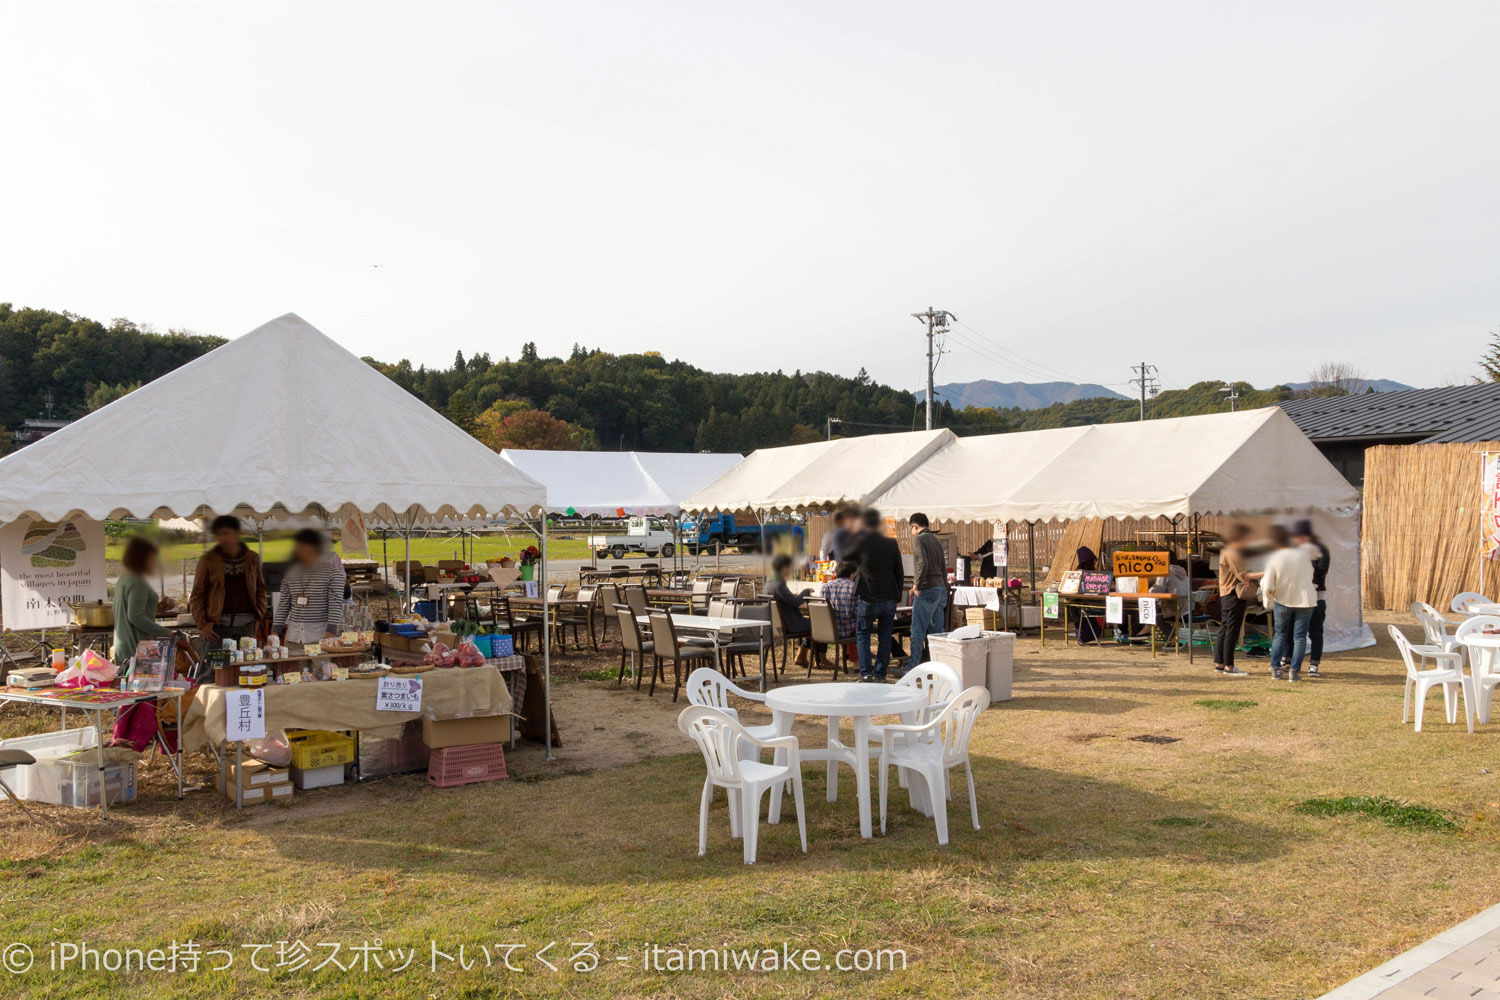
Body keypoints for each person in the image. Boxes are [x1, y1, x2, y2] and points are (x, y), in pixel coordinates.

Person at [108, 538, 172, 751]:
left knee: (129, 702)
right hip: (139, 648)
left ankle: (126, 738)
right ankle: (136, 740)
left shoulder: (124, 579)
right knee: (142, 703)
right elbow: (135, 616)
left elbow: (135, 612)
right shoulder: (137, 581)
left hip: (123, 645)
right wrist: (166, 633)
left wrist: (157, 608)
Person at [190, 514, 268, 651]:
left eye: (226, 533)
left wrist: (258, 616)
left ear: (237, 533)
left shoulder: (252, 558)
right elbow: (197, 594)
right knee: (214, 668)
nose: (222, 538)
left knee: (244, 668)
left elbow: (261, 589)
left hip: (246, 625)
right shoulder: (208, 560)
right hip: (216, 626)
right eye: (218, 534)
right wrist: (202, 624)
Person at [848, 508, 904, 682]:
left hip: (867, 595)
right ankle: (880, 673)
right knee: (885, 636)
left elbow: (852, 568)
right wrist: (898, 594)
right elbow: (899, 571)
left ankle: (866, 673)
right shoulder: (891, 543)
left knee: (863, 634)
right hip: (888, 595)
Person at [1259, 524, 1318, 682]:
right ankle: (1294, 671)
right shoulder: (1305, 555)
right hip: (1305, 600)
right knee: (1300, 637)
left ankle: (1276, 668)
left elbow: (1268, 584)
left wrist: (1268, 598)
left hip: (1283, 599)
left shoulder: (1275, 557)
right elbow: (1311, 576)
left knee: (1280, 634)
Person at [273, 529, 347, 648]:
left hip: (320, 638)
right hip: (293, 638)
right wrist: (275, 631)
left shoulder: (333, 574)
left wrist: (329, 636)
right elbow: (283, 605)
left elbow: (335, 607)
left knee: (322, 667)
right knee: (294, 667)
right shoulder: (290, 574)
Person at [1213, 525, 1257, 676]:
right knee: (1232, 629)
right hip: (1233, 594)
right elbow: (1243, 575)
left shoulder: (1226, 550)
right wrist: (1264, 574)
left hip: (1226, 593)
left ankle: (1220, 663)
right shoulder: (1233, 552)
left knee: (1225, 629)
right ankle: (1229, 666)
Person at [908, 512, 948, 670]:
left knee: (917, 629)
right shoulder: (936, 540)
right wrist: (944, 587)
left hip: (927, 588)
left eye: (911, 528)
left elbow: (922, 563)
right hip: (940, 589)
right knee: (936, 633)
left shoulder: (919, 539)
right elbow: (943, 567)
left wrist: (917, 585)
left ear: (915, 526)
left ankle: (913, 667)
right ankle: (935, 665)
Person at [1291, 519, 1330, 677]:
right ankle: (1289, 659)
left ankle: (1314, 663)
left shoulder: (1321, 550)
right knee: (1294, 631)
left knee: (1315, 631)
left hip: (1315, 595)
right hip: (1296, 596)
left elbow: (1321, 572)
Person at [766, 553, 814, 667]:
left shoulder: (768, 583)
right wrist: (806, 591)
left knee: (814, 623)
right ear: (784, 568)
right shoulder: (780, 585)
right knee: (818, 624)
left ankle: (802, 653)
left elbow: (788, 600)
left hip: (776, 624)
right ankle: (812, 655)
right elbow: (795, 602)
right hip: (790, 623)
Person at [823, 559, 859, 662]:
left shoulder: (826, 587)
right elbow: (858, 613)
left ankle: (851, 656)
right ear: (852, 574)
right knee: (861, 625)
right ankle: (857, 661)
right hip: (848, 630)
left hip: (828, 631)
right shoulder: (854, 587)